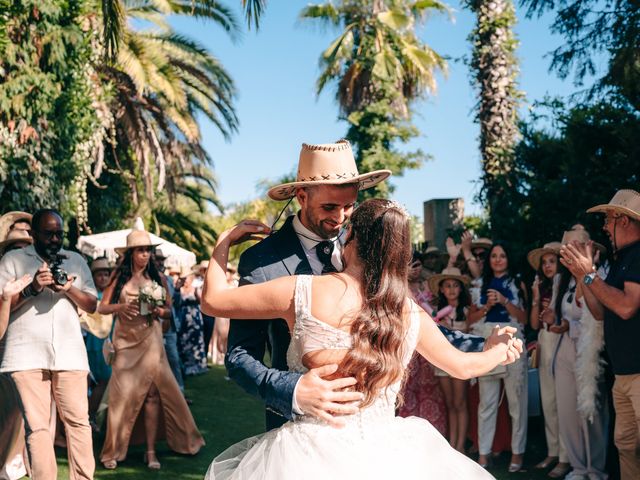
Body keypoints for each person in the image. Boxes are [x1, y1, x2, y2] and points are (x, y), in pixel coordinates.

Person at [201, 198, 524, 479]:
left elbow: (212, 300)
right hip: (389, 456)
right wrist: (498, 350)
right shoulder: (407, 311)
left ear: (350, 237)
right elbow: (463, 367)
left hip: (308, 455)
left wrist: (225, 241)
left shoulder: (304, 291)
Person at [225, 140, 501, 432]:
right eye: (329, 206)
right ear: (302, 197)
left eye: (348, 206)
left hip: (371, 432)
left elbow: (407, 320)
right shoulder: (262, 261)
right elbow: (239, 356)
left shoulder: (368, 245)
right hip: (297, 433)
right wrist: (291, 390)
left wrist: (484, 344)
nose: (340, 218)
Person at [0, 208, 98, 480]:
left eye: (59, 234)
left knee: (79, 423)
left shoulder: (76, 261)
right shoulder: (13, 260)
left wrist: (69, 290)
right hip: (24, 355)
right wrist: (32, 288)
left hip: (70, 355)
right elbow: (1, 304)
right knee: (38, 428)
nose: (55, 239)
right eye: (49, 233)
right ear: (34, 234)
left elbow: (92, 304)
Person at [98, 229, 204, 470]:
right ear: (131, 253)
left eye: (148, 250)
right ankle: (113, 449)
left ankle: (150, 451)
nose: (145, 255)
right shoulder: (119, 278)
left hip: (152, 341)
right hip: (125, 343)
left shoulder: (158, 278)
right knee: (120, 396)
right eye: (140, 250)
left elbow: (169, 311)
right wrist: (120, 307)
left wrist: (159, 312)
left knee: (153, 395)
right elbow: (102, 307)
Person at [561, 189, 640, 480]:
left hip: (639, 376)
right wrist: (583, 275)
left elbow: (626, 306)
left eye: (608, 220)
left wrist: (590, 275)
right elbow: (599, 311)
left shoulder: (639, 255)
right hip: (622, 376)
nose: (605, 227)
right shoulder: (622, 260)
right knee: (626, 447)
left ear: (623, 219)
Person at [552, 228, 609, 480]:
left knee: (593, 410)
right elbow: (561, 314)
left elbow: (599, 315)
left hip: (592, 347)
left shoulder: (599, 275)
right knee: (567, 409)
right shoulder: (560, 280)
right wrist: (553, 321)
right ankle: (578, 467)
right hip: (565, 347)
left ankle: (596, 468)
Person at [468, 242, 529, 472]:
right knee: (487, 402)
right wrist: (487, 307)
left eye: (502, 256)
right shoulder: (479, 285)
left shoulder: (517, 283)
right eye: (494, 256)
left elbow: (524, 319)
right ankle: (484, 455)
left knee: (517, 401)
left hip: (513, 338)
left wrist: (504, 301)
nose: (498, 259)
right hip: (488, 338)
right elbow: (470, 321)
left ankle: (517, 453)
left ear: (508, 259)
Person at [527, 241, 571, 478]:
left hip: (562, 340)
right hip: (544, 339)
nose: (547, 266)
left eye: (552, 261)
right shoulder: (542, 288)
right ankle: (553, 451)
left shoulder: (565, 288)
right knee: (548, 401)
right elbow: (534, 324)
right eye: (544, 262)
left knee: (562, 400)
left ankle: (566, 456)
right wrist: (535, 298)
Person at [427, 267, 472, 453]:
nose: (452, 289)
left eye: (455, 286)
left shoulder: (467, 311)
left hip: (460, 358)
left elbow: (471, 336)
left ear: (461, 289)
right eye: (447, 286)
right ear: (442, 290)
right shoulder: (435, 312)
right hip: (442, 360)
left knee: (460, 402)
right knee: (450, 403)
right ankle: (452, 445)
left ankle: (460, 445)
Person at [153, 248, 185, 392]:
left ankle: (180, 393)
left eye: (161, 260)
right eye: (157, 259)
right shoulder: (146, 279)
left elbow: (175, 305)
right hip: (151, 328)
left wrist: (177, 290)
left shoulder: (169, 280)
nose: (160, 262)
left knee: (173, 360)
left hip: (169, 327)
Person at [176, 271, 208, 376]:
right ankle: (185, 365)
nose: (186, 282)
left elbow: (202, 302)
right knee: (184, 340)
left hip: (195, 319)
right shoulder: (179, 290)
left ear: (191, 279)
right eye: (184, 279)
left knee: (196, 340)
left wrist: (197, 294)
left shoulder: (195, 289)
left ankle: (197, 365)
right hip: (183, 319)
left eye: (187, 279)